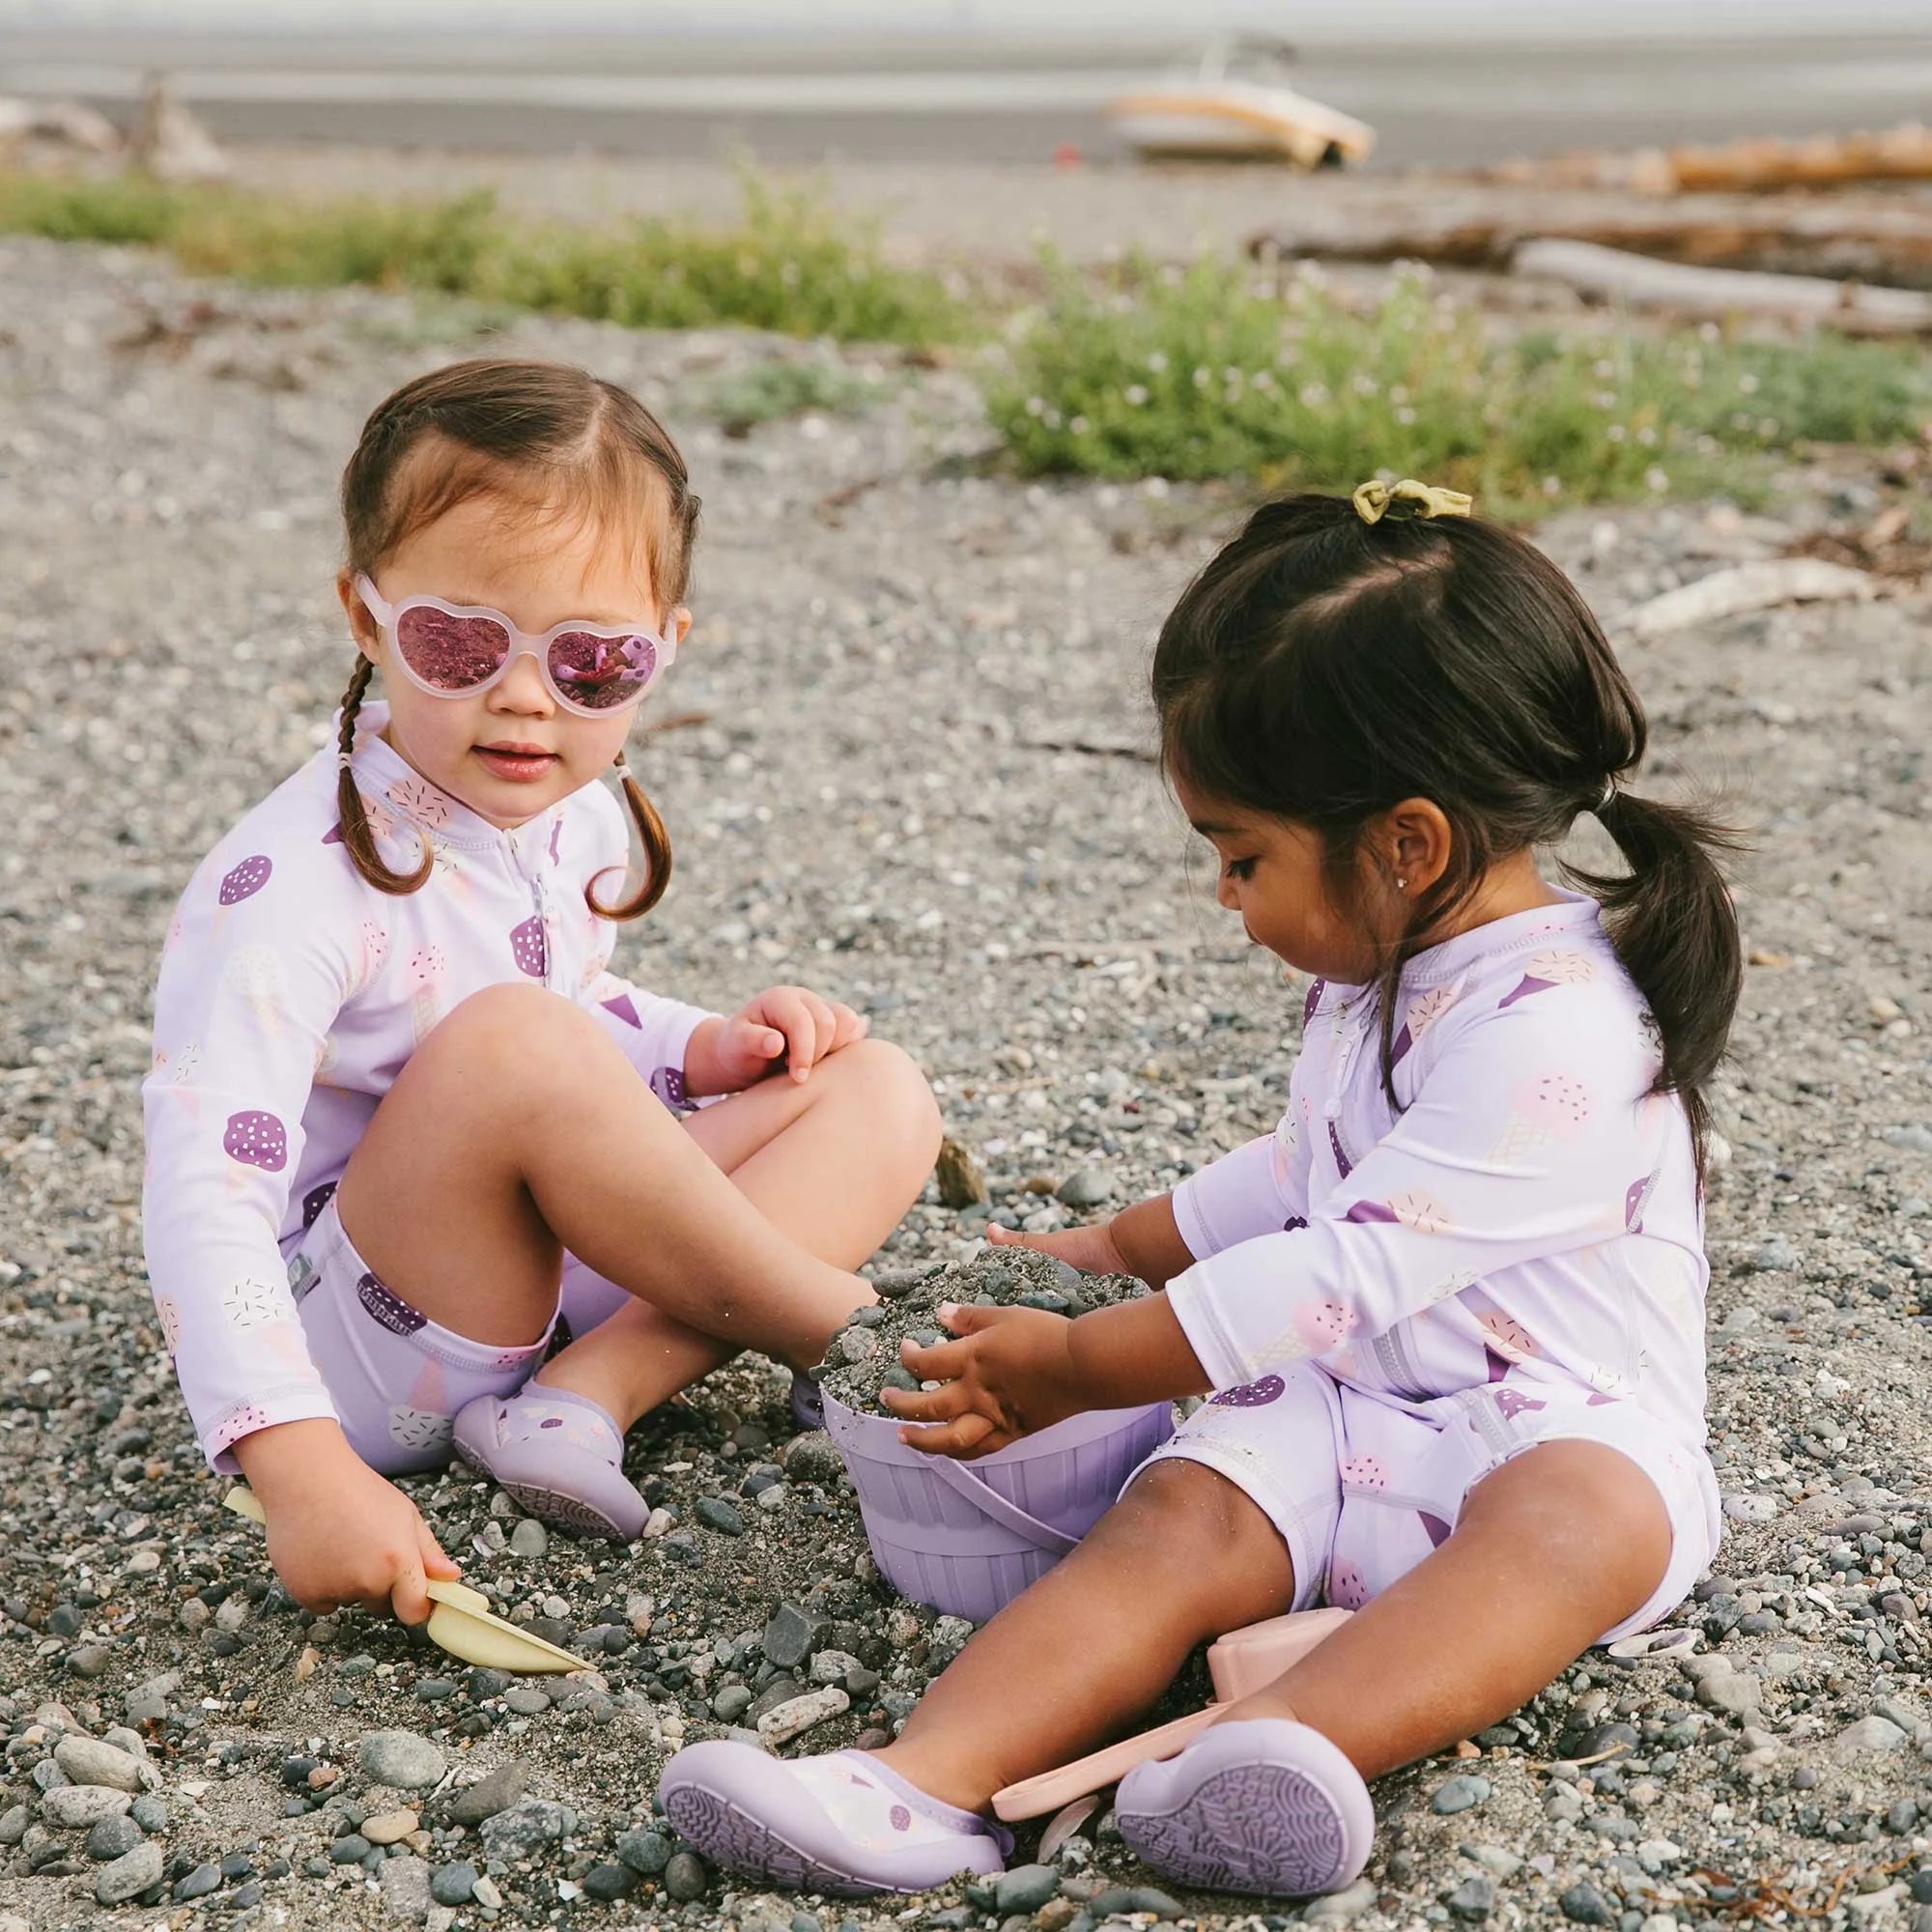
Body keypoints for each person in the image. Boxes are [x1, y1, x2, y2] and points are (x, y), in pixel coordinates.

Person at [658, 479, 1743, 1900]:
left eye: (1245, 858)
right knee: (1180, 1515)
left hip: (1558, 1434)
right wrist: (1113, 1247)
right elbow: (1305, 1170)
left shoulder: (1564, 1035)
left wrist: (1081, 1361)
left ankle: (1281, 1749)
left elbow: (1342, 1263)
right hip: (1353, 1409)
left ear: (1407, 844)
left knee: (1577, 1525)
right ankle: (921, 1782)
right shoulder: (1388, 967)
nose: (1227, 897)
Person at [142, 358, 940, 1624]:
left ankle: (587, 1400)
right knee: (515, 1042)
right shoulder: (290, 890)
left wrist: (700, 1049)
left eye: (593, 664)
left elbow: (573, 1010)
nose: (524, 698)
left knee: (878, 1090)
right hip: (363, 1341)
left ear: (663, 651)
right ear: (364, 614)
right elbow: (204, 1182)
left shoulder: (574, 810)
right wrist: (290, 1462)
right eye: (459, 643)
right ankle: (865, 1347)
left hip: (540, 1284)